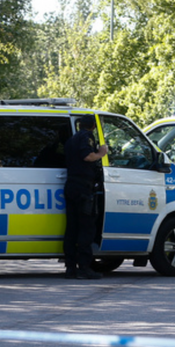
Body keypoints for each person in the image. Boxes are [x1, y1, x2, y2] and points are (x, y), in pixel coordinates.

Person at [63, 114, 108, 280]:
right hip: (83, 188)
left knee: (72, 229)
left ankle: (70, 268)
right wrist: (101, 153)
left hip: (71, 186)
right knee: (86, 228)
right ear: (93, 127)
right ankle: (84, 268)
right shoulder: (86, 137)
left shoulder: (71, 139)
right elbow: (87, 156)